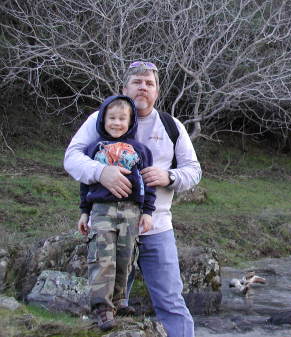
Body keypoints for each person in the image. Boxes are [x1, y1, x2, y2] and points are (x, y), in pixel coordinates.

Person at [65, 61, 201, 337]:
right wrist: (102, 172)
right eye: (137, 82)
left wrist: (169, 177)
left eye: (149, 83)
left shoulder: (171, 126)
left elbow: (194, 171)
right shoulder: (103, 118)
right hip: (107, 226)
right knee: (107, 306)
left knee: (171, 302)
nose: (143, 87)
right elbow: (72, 158)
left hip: (155, 227)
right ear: (124, 87)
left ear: (157, 91)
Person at [77, 94, 156, 331]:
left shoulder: (141, 150)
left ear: (131, 122)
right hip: (101, 211)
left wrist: (148, 211)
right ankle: (102, 308)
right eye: (112, 118)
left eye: (122, 119)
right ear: (103, 119)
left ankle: (120, 301)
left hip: (131, 212)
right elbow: (85, 183)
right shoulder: (93, 149)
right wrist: (84, 212)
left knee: (125, 258)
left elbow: (148, 183)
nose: (117, 123)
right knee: (102, 259)